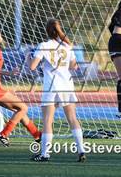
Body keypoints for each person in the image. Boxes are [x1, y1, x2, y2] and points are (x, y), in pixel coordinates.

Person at [29, 18, 86, 162]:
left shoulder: (44, 45)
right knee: (72, 118)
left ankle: (45, 154)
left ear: (47, 31)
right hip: (67, 85)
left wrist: (28, 58)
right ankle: (81, 151)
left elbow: (32, 67)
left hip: (51, 87)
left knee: (48, 121)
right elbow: (74, 66)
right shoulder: (67, 46)